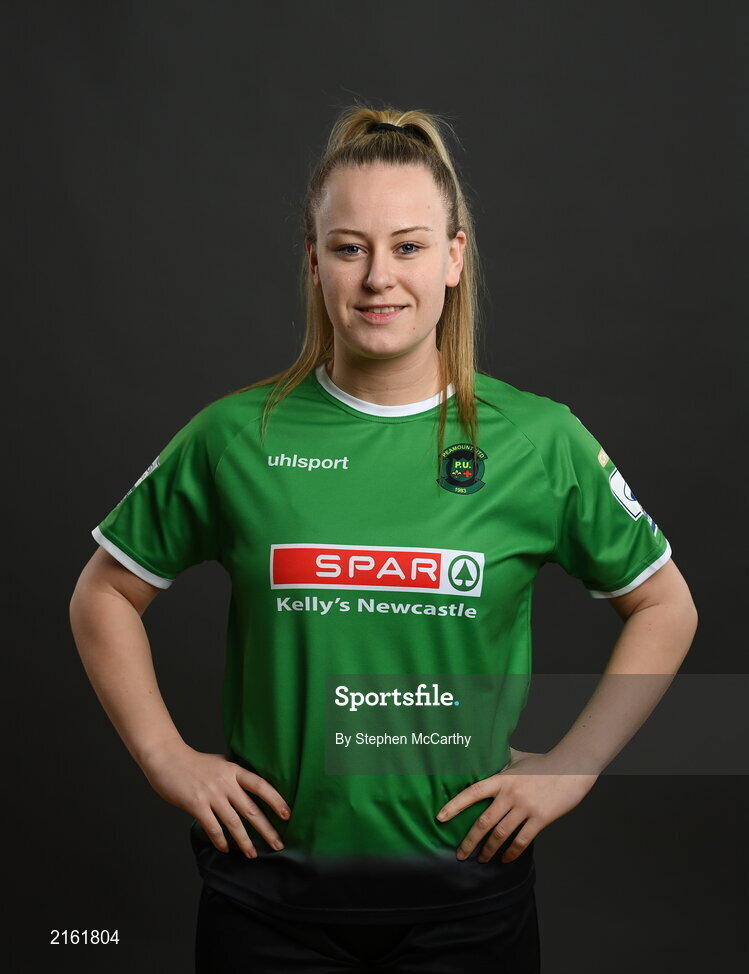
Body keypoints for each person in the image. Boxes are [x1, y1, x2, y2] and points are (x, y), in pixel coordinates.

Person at [69, 105, 698, 973]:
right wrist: (165, 756)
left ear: (452, 257)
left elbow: (664, 605)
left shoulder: (539, 440)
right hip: (268, 900)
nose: (377, 278)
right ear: (313, 260)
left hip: (467, 899)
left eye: (406, 246)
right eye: (348, 247)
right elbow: (103, 593)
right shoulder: (233, 435)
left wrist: (573, 766)